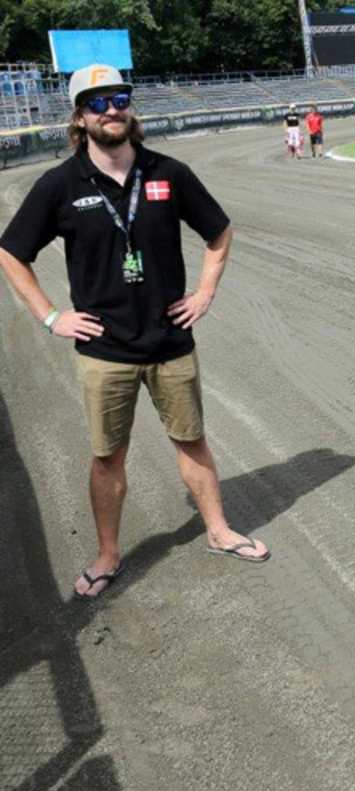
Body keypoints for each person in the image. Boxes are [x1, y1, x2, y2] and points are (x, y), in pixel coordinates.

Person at [0, 63, 269, 599]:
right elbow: (11, 252)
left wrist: (205, 294)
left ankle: (217, 530)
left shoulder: (168, 172)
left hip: (171, 343)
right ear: (79, 116)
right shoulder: (60, 185)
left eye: (119, 98)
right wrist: (53, 317)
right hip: (105, 350)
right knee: (108, 457)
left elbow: (219, 232)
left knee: (193, 442)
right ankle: (107, 554)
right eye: (97, 103)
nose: (112, 110)